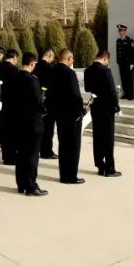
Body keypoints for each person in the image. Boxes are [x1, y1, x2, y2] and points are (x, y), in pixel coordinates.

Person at [11, 52, 47, 196]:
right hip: (33, 123)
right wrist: (43, 108)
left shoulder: (16, 77)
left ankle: (21, 184)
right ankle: (31, 185)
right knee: (32, 156)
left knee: (21, 155)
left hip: (19, 121)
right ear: (32, 64)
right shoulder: (32, 80)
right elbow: (38, 102)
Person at [47, 49, 85, 184]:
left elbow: (49, 93)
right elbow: (76, 95)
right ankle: (71, 176)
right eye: (72, 59)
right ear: (68, 58)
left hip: (59, 114)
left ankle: (64, 175)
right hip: (71, 114)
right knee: (73, 146)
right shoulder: (69, 73)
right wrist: (81, 110)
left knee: (63, 145)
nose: (73, 61)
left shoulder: (52, 71)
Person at [83, 49, 122, 177]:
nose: (107, 63)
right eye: (107, 61)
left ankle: (100, 166)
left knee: (98, 136)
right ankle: (110, 168)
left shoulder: (88, 70)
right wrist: (117, 106)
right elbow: (112, 90)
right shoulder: (105, 70)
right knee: (108, 138)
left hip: (96, 106)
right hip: (107, 107)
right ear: (105, 58)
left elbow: (87, 88)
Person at [0, 49, 20, 165]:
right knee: (12, 131)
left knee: (4, 130)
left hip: (2, 102)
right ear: (14, 57)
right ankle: (11, 157)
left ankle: (6, 156)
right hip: (12, 103)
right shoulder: (13, 69)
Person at [36, 48, 57, 159]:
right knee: (48, 129)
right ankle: (46, 151)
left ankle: (39, 149)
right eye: (52, 58)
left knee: (41, 127)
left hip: (38, 100)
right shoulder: (49, 68)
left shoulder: (35, 66)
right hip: (49, 101)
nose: (52, 60)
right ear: (49, 55)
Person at [115, 24, 134, 100]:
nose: (120, 32)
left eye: (121, 30)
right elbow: (118, 52)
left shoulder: (129, 40)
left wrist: (132, 63)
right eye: (119, 30)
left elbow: (132, 52)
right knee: (123, 79)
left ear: (124, 31)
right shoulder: (118, 40)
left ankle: (130, 95)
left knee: (128, 79)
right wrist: (118, 61)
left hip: (128, 63)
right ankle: (126, 94)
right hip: (121, 63)